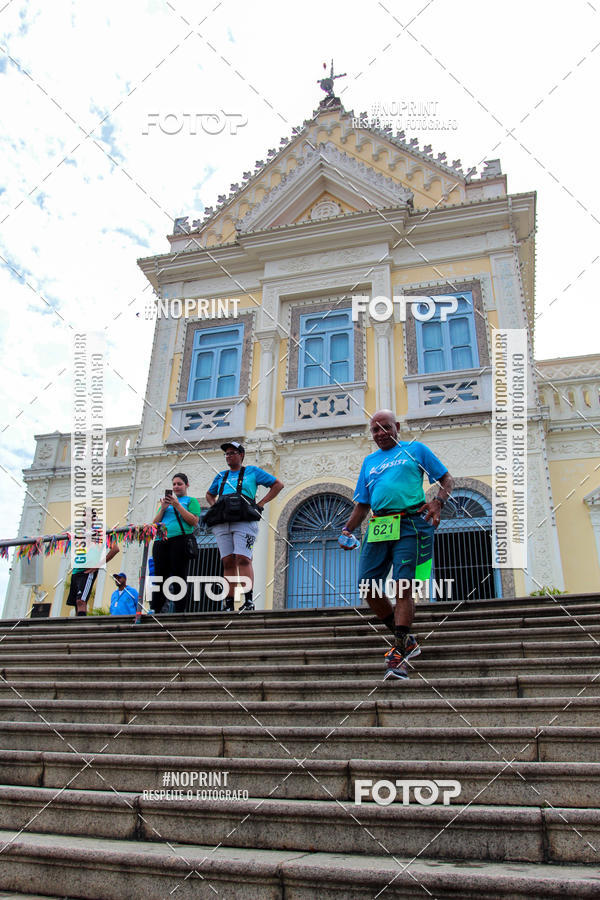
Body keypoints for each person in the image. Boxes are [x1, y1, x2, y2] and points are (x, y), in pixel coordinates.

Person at [341, 409, 454, 680]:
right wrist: (347, 529)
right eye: (375, 430)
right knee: (367, 587)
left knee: (404, 587)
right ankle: (407, 640)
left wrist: (438, 502)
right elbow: (363, 504)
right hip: (379, 526)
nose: (380, 433)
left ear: (397, 427)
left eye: (385, 427)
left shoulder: (416, 449)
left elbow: (447, 479)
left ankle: (398, 655)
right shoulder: (369, 461)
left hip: (411, 523)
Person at [205, 442, 283, 611]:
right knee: (227, 562)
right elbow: (210, 494)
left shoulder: (252, 471)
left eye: (232, 453)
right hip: (222, 522)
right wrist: (214, 506)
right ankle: (229, 603)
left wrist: (261, 503)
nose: (229, 456)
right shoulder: (221, 476)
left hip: (245, 521)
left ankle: (248, 601)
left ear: (241, 455)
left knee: (243, 558)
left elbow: (278, 485)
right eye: (226, 454)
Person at [151, 473, 201, 614]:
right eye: (174, 484)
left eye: (179, 484)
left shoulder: (191, 501)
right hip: (162, 541)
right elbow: (154, 525)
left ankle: (179, 609)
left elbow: (194, 521)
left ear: (186, 485)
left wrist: (177, 505)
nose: (176, 487)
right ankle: (156, 607)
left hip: (180, 540)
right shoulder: (165, 504)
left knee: (179, 575)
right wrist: (163, 508)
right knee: (160, 575)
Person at [66, 510, 120, 616]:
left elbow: (115, 549)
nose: (86, 519)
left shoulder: (101, 533)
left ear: (94, 519)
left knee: (81, 601)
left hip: (88, 571)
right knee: (76, 604)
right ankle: (76, 628)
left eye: (89, 516)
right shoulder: (79, 533)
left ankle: (82, 630)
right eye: (85, 516)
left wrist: (97, 566)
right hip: (76, 571)